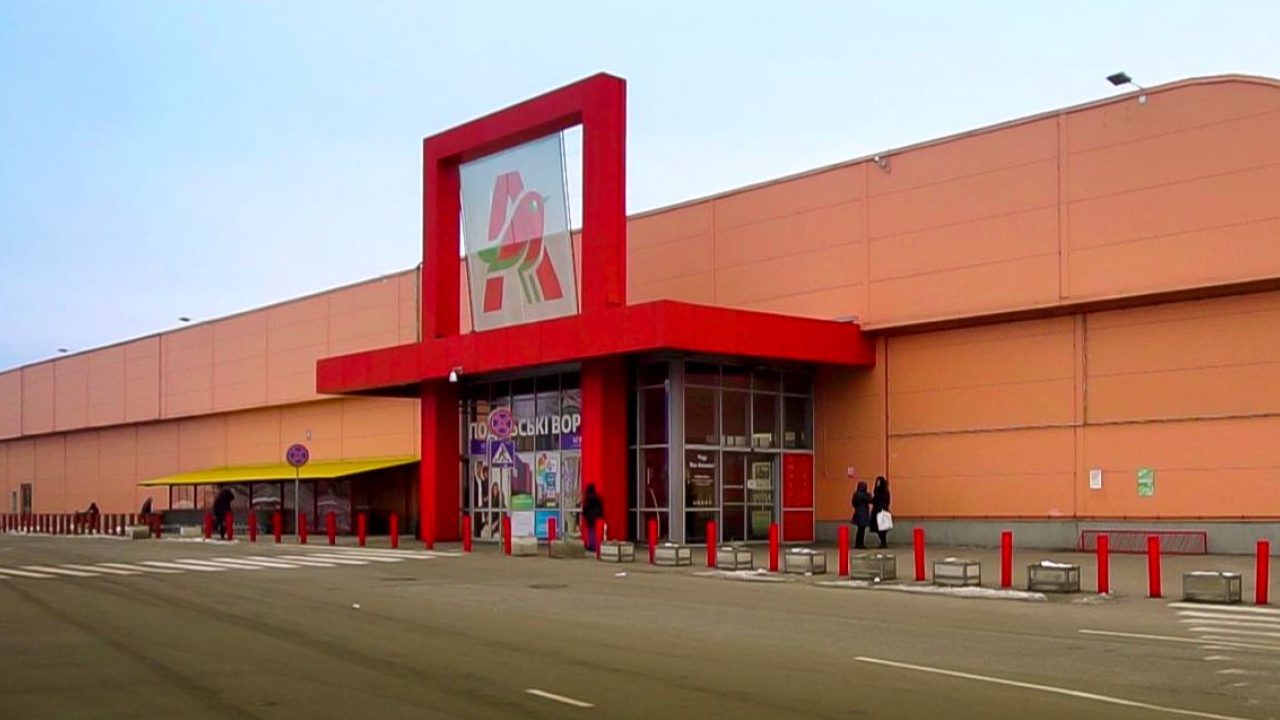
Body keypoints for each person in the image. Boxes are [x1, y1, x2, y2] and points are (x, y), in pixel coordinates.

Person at [581, 484, 604, 552]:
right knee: (594, 531)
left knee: (591, 531)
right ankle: (594, 545)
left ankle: (592, 545)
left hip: (591, 516)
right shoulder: (597, 497)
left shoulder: (588, 498)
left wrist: (584, 513)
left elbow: (586, 507)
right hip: (596, 516)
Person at [850, 480, 872, 549]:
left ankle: (858, 543)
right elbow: (870, 500)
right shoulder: (864, 495)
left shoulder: (856, 494)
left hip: (858, 512)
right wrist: (869, 495)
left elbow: (853, 503)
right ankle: (860, 544)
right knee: (862, 530)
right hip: (863, 513)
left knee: (860, 529)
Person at [871, 476, 892, 548]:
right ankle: (883, 542)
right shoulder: (876, 491)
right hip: (876, 511)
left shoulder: (885, 491)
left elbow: (886, 501)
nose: (877, 483)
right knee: (878, 528)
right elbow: (874, 500)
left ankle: (883, 542)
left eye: (879, 482)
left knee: (882, 528)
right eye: (877, 482)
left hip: (882, 511)